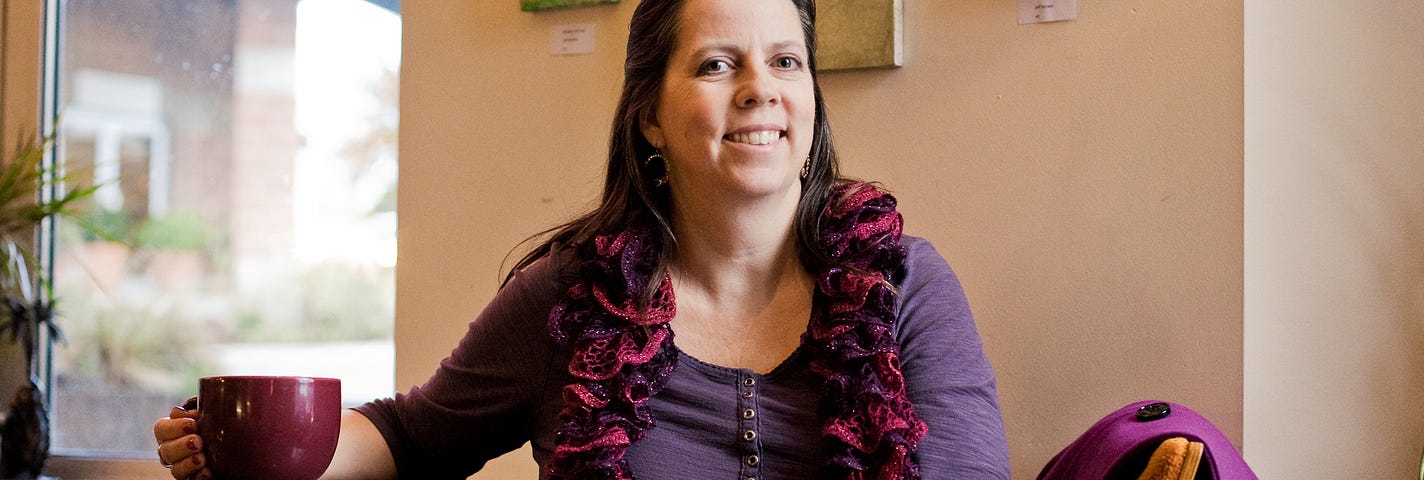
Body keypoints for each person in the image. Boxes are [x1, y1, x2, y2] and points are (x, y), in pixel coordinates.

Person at [152, 0, 1008, 478]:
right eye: (717, 65)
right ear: (649, 119)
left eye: (786, 61)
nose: (761, 90)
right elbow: (412, 437)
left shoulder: (906, 287)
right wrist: (253, 446)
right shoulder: (570, 300)